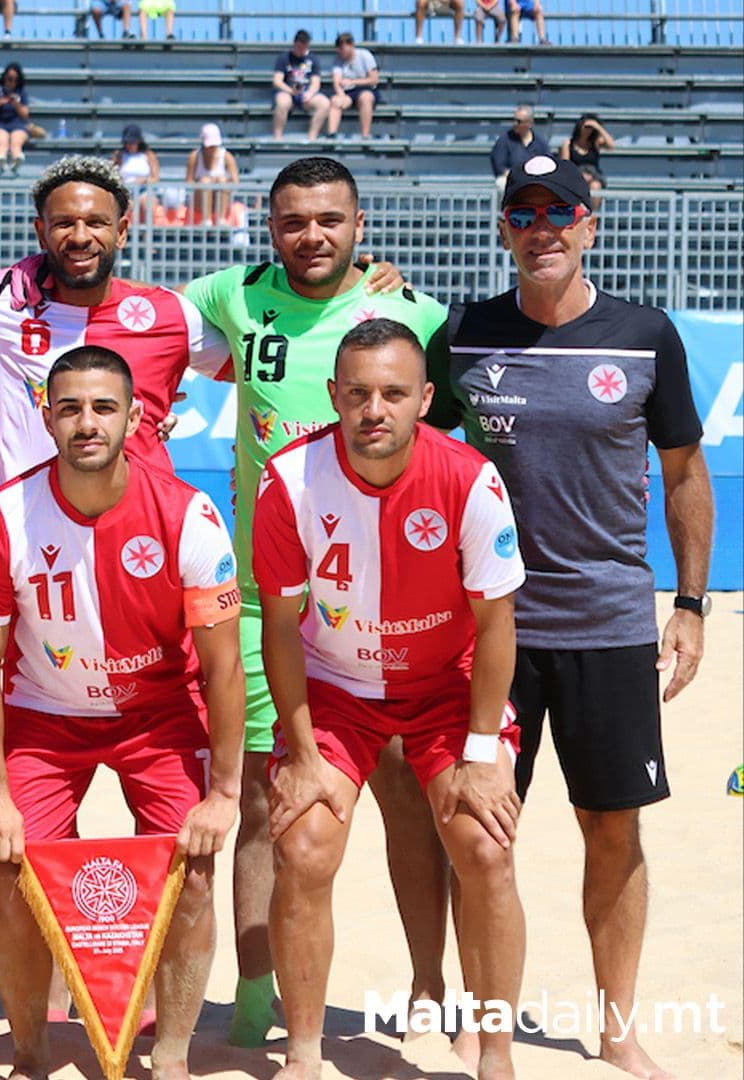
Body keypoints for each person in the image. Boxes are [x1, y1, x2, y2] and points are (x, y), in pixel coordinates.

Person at [425, 154, 714, 1080]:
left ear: (589, 225)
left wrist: (693, 604)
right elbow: (412, 453)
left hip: (609, 627)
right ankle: (483, 1021)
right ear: (505, 230)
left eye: (559, 213)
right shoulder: (464, 334)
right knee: (479, 834)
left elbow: (683, 475)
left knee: (614, 830)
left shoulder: (645, 334)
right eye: (523, 215)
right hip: (490, 633)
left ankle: (617, 1027)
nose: (541, 227)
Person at [182, 157, 452, 1051]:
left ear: (359, 224)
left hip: (391, 600)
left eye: (329, 220)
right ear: (269, 227)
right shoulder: (230, 295)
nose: (312, 236)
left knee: (406, 796)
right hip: (275, 601)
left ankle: (427, 984)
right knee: (268, 795)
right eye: (294, 220)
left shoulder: (411, 314)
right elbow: (130, 323)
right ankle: (257, 1002)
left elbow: (456, 451)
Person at [257, 318, 529, 1080]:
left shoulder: (468, 478)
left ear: (424, 399)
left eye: (394, 394)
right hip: (338, 691)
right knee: (303, 847)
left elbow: (496, 622)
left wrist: (482, 753)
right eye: (360, 393)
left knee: (485, 846)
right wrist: (304, 752)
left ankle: (496, 1056)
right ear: (334, 395)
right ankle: (304, 1056)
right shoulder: (289, 480)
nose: (375, 408)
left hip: (446, 686)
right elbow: (279, 627)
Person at [0, 345, 242, 1080]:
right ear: (46, 417)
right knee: (10, 868)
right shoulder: (1, 519)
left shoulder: (189, 516)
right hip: (46, 721)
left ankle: (173, 1055)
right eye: (70, 408)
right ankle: (30, 1055)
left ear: (135, 416)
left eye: (103, 407)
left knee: (196, 868)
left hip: (159, 716)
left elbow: (221, 668)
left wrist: (224, 793)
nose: (87, 423)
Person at [0, 156, 228, 482]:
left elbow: (262, 376)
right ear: (41, 233)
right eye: (63, 223)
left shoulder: (171, 314)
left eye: (97, 222)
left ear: (122, 231)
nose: (81, 237)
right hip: (30, 526)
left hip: (143, 525)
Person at [272, 30, 330, 141]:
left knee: (325, 103)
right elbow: (277, 81)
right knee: (283, 102)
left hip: (306, 92)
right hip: (287, 91)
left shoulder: (312, 59)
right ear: (294, 44)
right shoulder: (284, 58)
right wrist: (290, 90)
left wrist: (310, 93)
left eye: (304, 47)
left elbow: (316, 82)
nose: (301, 50)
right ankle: (277, 137)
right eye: (299, 47)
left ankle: (312, 137)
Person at [327, 33, 380, 139]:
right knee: (335, 101)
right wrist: (341, 95)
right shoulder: (338, 60)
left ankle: (365, 135)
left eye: (343, 48)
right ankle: (332, 134)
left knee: (365, 97)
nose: (341, 52)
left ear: (351, 45)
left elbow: (374, 80)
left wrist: (353, 82)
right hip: (348, 92)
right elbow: (336, 81)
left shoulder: (365, 55)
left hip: (366, 89)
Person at [0, 62, 30, 176]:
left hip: (17, 123)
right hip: (0, 124)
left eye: (15, 79)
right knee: (2, 141)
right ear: (5, 78)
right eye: (10, 79)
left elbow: (25, 115)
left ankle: (17, 160)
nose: (12, 82)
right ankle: (1, 160)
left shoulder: (21, 93)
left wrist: (16, 104)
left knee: (16, 142)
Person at [184, 121, 233, 224]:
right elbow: (188, 181)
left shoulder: (227, 157)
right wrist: (203, 182)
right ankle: (206, 220)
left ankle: (221, 218)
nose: (211, 149)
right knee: (205, 182)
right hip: (200, 200)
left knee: (222, 181)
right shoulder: (194, 157)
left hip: (220, 198)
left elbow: (235, 182)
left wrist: (219, 181)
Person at [490, 104, 551, 181]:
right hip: (512, 180)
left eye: (519, 121)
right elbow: (499, 167)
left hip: (535, 181)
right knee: (501, 182)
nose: (515, 124)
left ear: (529, 123)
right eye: (514, 120)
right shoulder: (505, 140)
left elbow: (548, 164)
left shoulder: (540, 142)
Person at [559, 113, 614, 188]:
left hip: (593, 175)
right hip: (574, 175)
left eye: (591, 128)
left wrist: (598, 127)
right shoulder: (568, 143)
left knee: (595, 186)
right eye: (586, 127)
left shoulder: (595, 142)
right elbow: (565, 165)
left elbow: (611, 146)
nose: (588, 130)